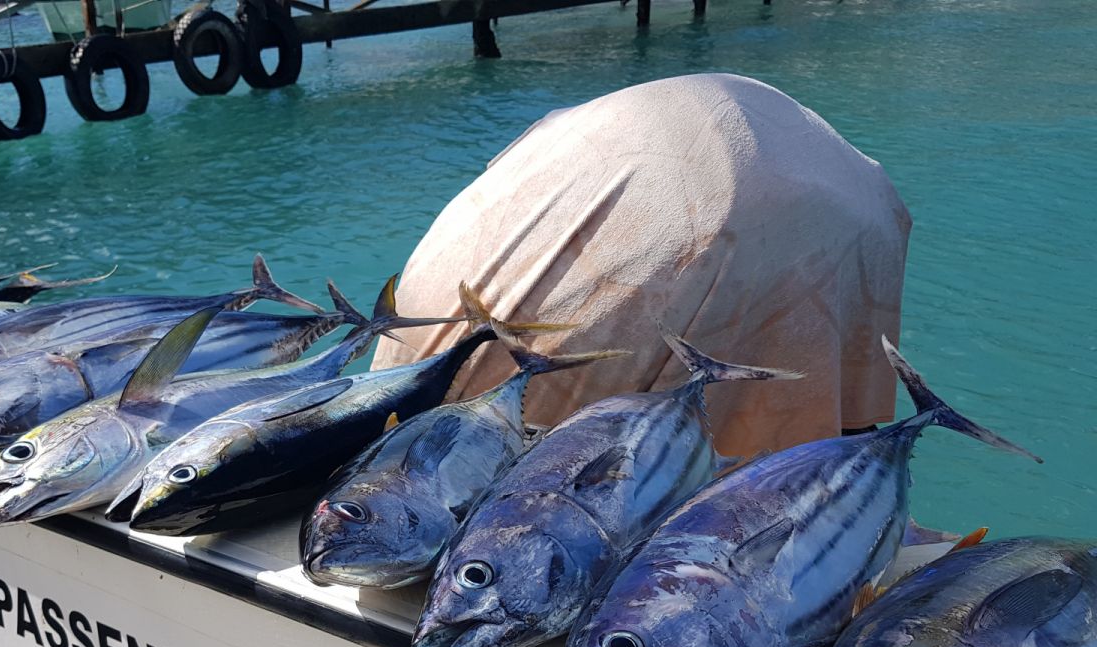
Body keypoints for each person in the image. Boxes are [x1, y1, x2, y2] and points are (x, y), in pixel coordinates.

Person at [372, 73, 912, 458]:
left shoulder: (560, 137)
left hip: (418, 352)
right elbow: (842, 418)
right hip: (726, 215)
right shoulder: (854, 202)